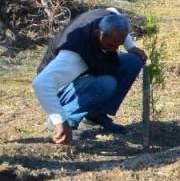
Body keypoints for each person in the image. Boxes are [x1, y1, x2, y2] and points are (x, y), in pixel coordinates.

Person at [32, 8, 147, 144]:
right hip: (61, 89)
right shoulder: (73, 55)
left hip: (84, 73)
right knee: (107, 84)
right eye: (110, 44)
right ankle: (67, 119)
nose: (115, 49)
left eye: (118, 45)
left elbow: (114, 11)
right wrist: (59, 120)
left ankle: (94, 116)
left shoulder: (108, 16)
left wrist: (130, 46)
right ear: (98, 34)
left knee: (133, 61)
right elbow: (40, 84)